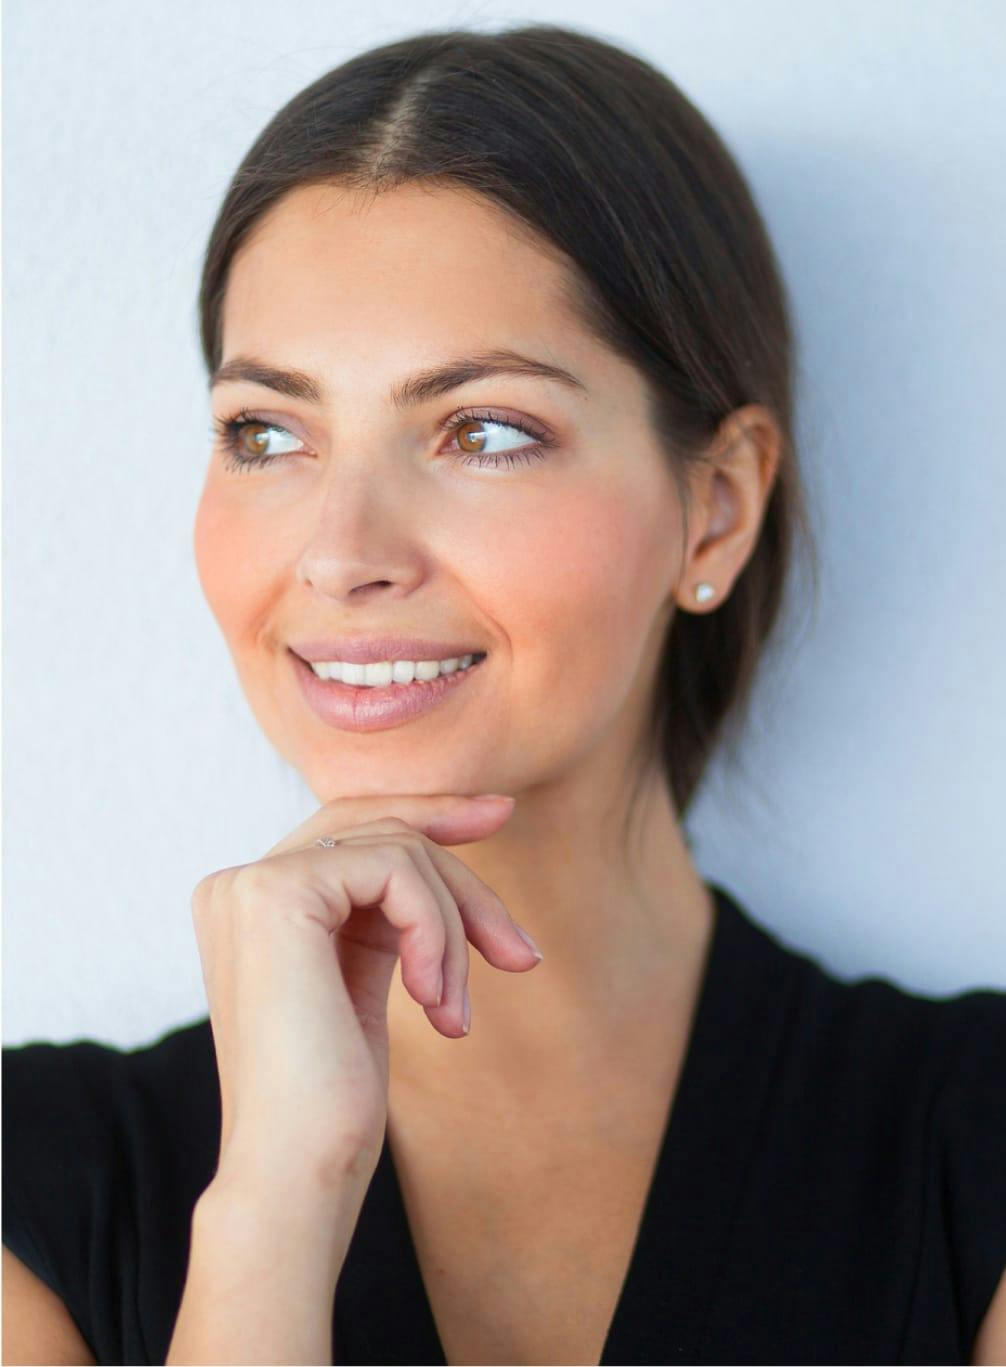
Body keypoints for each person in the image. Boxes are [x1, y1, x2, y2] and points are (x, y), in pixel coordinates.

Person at [3, 21, 1004, 1367]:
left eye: (483, 431)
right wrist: (275, 1207)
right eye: (266, 433)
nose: (342, 553)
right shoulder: (37, 1190)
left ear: (713, 511)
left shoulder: (974, 1149)